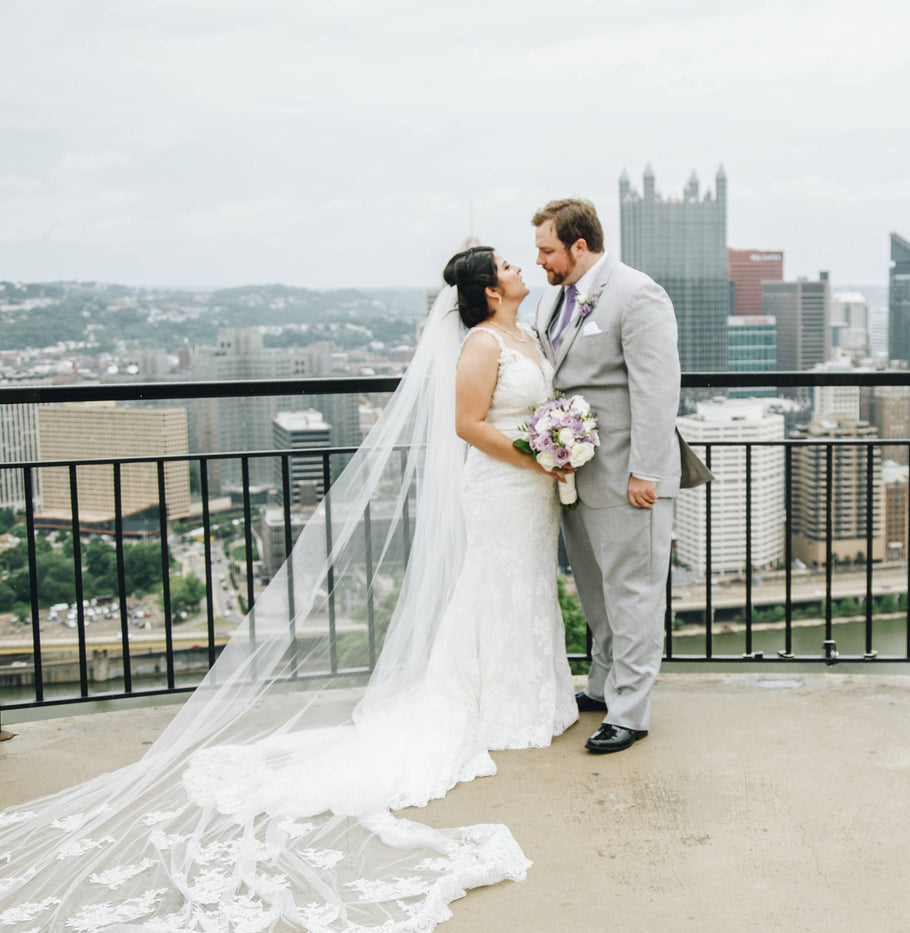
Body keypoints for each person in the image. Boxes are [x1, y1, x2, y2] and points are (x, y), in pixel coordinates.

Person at [0, 246, 575, 930]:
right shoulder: (482, 343)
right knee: (492, 587)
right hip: (502, 484)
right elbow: (467, 424)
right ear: (486, 291)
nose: (518, 268)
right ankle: (495, 701)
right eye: (509, 265)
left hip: (533, 492)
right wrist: (539, 455)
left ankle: (532, 689)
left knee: (525, 589)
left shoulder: (527, 332)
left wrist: (556, 447)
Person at [533, 198, 682, 754]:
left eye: (548, 250)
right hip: (576, 475)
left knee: (633, 595)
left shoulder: (637, 293)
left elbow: (657, 388)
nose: (541, 261)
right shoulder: (554, 297)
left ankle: (631, 712)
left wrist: (646, 470)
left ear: (578, 245)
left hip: (629, 479)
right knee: (596, 592)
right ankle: (601, 684)